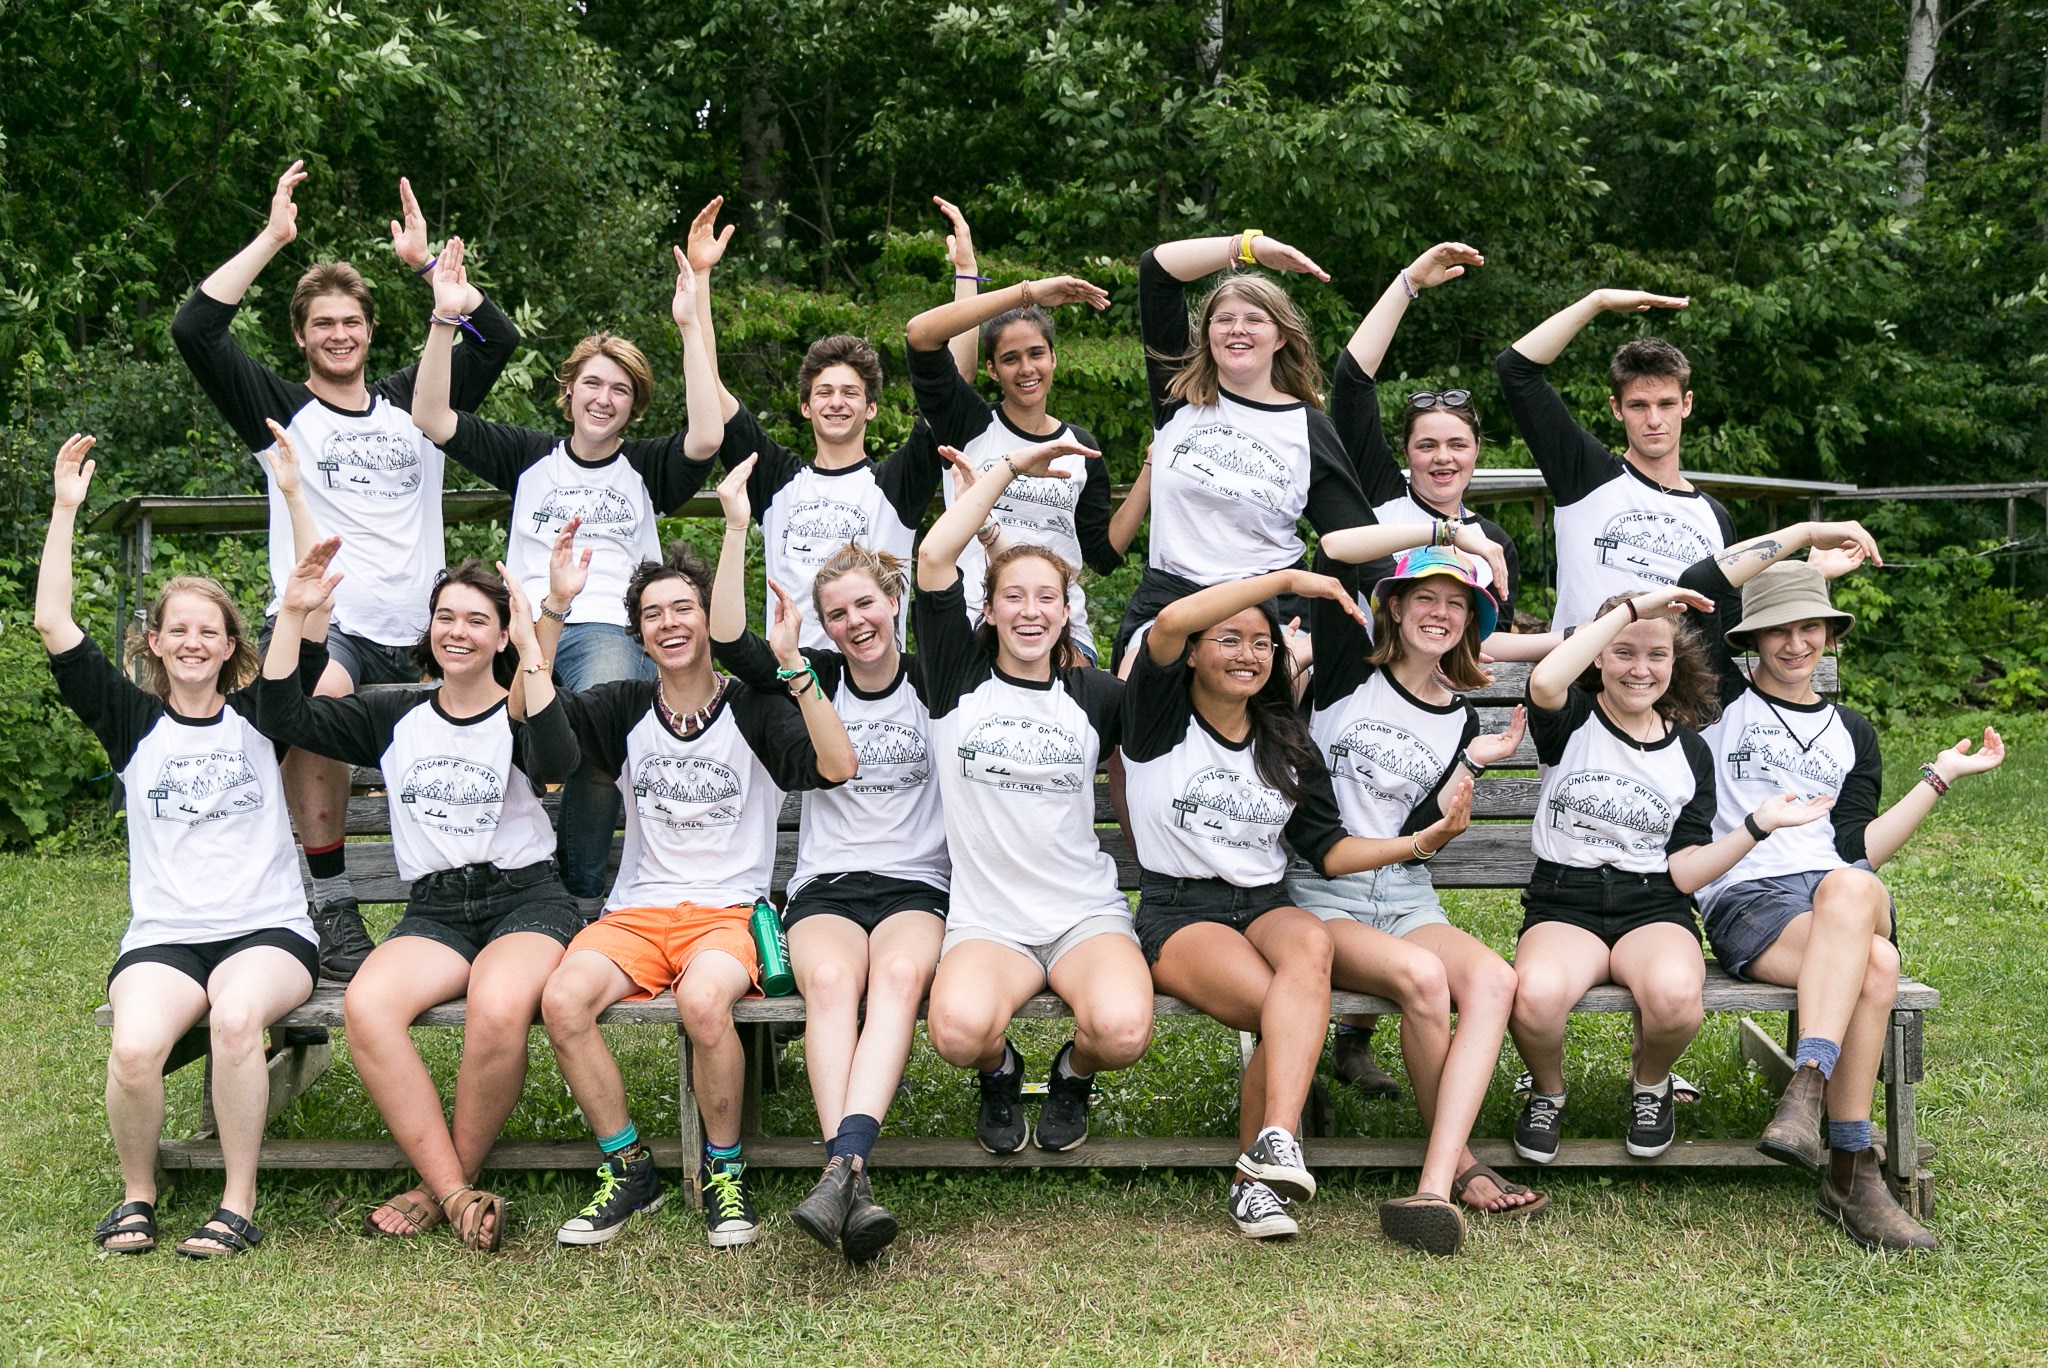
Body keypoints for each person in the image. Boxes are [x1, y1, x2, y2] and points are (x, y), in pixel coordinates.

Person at [171, 161, 521, 981]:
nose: (339, 334)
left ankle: (489, 899)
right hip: (332, 627)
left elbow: (498, 339)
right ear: (300, 336)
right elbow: (195, 330)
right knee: (315, 697)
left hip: (428, 631)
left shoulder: (417, 401)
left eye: (352, 322)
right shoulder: (277, 409)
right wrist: (273, 237)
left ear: (370, 331)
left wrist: (429, 269)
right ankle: (330, 899)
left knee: (512, 705)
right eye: (323, 323)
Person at [38, 428, 326, 1259]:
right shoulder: (130, 722)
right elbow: (52, 619)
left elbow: (310, 604)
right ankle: (138, 1196)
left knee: (236, 1021)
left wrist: (295, 494)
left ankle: (236, 1203)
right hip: (165, 936)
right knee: (133, 1048)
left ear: (231, 647)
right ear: (155, 642)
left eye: (210, 631)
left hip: (266, 932)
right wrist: (66, 509)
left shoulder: (264, 715)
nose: (194, 642)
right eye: (179, 630)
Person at [1672, 523, 2000, 1250]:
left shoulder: (1854, 732)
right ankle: (1851, 1169)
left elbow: (1858, 849)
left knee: (1850, 884)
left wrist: (1939, 777)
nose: (1796, 644)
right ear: (1751, 639)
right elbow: (1701, 580)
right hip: (1752, 901)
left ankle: (1807, 1086)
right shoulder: (1718, 701)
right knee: (1877, 964)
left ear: (1829, 634)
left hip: (1838, 891)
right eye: (1778, 630)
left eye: (1810, 628)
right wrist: (1805, 537)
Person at [535, 523, 856, 1250]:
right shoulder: (621, 707)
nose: (669, 623)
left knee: (705, 1001)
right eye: (652, 614)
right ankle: (629, 1168)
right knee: (562, 1000)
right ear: (639, 635)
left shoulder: (754, 707)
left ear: (710, 620)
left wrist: (796, 672)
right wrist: (554, 609)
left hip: (728, 911)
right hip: (637, 912)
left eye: (683, 608)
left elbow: (838, 767)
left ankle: (724, 1170)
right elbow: (537, 716)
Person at [250, 548, 581, 1252]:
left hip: (525, 899)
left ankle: (437, 1189)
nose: (457, 631)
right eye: (445, 617)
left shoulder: (521, 710)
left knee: (498, 1006)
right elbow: (280, 714)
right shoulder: (391, 714)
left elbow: (557, 764)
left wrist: (537, 642)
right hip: (436, 909)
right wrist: (295, 614)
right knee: (369, 1006)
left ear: (501, 634)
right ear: (429, 627)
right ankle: (458, 1192)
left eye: (477, 620)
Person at [407, 230, 716, 906]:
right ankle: (485, 891)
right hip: (523, 631)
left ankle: (576, 902)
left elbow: (707, 436)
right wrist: (444, 316)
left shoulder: (645, 467)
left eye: (621, 391)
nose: (604, 399)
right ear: (569, 391)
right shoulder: (528, 456)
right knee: (488, 729)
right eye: (593, 384)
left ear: (634, 406)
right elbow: (429, 414)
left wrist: (692, 325)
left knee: (598, 726)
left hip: (606, 627)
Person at [705, 460, 947, 1263]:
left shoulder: (935, 679)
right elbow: (725, 639)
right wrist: (737, 528)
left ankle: (840, 1171)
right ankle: (853, 1175)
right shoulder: (814, 675)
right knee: (835, 983)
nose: (854, 622)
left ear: (893, 601)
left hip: (916, 883)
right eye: (837, 614)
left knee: (900, 977)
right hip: (827, 887)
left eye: (865, 604)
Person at [1324, 241, 1550, 1098]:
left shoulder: (1496, 546)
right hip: (1351, 698)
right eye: (1427, 445)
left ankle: (1355, 1035)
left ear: (1476, 452)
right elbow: (1350, 384)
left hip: (1431, 722)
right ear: (1407, 453)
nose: (1442, 458)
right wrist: (1407, 285)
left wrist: (1569, 641)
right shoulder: (1380, 501)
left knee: (1397, 846)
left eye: (1457, 444)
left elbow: (1478, 649)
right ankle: (1345, 1033)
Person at [1508, 585, 1835, 1173]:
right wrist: (1634, 611)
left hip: (1651, 907)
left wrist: (1757, 826)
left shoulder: (1689, 751)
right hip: (1565, 902)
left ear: (1674, 662)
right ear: (1597, 656)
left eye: (1656, 654)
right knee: (1534, 997)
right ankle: (1548, 1092)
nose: (1640, 669)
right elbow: (1544, 680)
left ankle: (1651, 1082)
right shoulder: (1571, 719)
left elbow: (1684, 870)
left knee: (1677, 998)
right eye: (1623, 651)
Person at [1279, 545, 1541, 1254]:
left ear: (1470, 624)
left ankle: (1432, 1185)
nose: (1440, 613)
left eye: (1457, 604)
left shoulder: (1459, 720)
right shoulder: (1345, 672)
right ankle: (1455, 1168)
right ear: (1392, 607)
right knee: (1424, 980)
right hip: (1320, 891)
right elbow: (1332, 550)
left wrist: (1471, 766)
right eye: (1425, 597)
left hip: (1403, 893)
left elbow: (1417, 832)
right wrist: (1442, 528)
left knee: (1495, 980)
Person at [914, 439, 1154, 1156]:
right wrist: (1009, 470)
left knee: (1123, 1031)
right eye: (1012, 597)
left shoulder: (1097, 695)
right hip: (990, 922)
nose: (1029, 611)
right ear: (987, 611)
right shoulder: (956, 678)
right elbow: (934, 557)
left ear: (1066, 611)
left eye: (1046, 597)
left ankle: (1072, 1075)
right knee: (957, 1034)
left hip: (1083, 914)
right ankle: (1000, 1072)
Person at [683, 201, 953, 650]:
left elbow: (950, 389)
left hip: (876, 676)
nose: (837, 402)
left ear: (871, 408)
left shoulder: (896, 484)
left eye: (850, 393)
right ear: (806, 407)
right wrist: (701, 277)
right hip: (791, 672)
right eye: (824, 392)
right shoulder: (776, 478)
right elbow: (710, 388)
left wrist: (965, 274)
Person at [1113, 229, 1373, 669]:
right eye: (1224, 319)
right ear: (1208, 334)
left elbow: (1359, 544)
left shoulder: (1308, 428)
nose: (1238, 328)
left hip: (1269, 610)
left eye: (1255, 319)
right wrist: (1249, 247)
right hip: (1172, 602)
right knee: (1133, 681)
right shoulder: (1178, 396)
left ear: (1281, 337)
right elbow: (1156, 270)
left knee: (1277, 684)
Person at [903, 223, 1131, 663]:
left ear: (1054, 358)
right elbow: (921, 335)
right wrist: (1028, 293)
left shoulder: (1079, 448)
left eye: (1036, 353)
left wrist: (1152, 468)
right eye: (1010, 358)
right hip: (977, 622)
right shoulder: (967, 424)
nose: (1026, 368)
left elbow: (1102, 556)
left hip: (1061, 633)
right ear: (992, 369)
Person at [1496, 288, 1733, 631]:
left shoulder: (1716, 518)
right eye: (1638, 405)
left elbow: (1729, 627)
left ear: (1687, 403)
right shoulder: (1585, 475)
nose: (1654, 420)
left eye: (1666, 404)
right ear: (1616, 408)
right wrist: (1598, 301)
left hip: (1676, 667)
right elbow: (1515, 370)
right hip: (1584, 664)